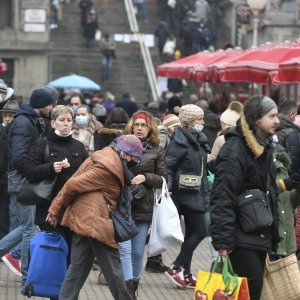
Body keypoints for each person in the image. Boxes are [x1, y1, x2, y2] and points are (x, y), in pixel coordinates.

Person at [46, 134, 144, 300]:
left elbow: (74, 181)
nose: (134, 162)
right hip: (95, 220)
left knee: (77, 269)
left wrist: (55, 210)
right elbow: (73, 184)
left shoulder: (104, 155)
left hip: (85, 217)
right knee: (114, 270)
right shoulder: (107, 168)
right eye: (134, 157)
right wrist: (55, 210)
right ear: (125, 153)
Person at [210, 95, 280, 300]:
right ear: (257, 119)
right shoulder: (235, 149)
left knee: (252, 292)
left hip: (257, 234)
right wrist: (223, 241)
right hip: (240, 239)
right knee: (249, 290)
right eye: (272, 116)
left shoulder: (262, 147)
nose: (277, 120)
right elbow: (223, 196)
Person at [2, 88, 54, 286]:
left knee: (27, 226)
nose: (51, 108)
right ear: (41, 105)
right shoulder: (24, 123)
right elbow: (19, 158)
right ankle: (27, 278)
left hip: (26, 182)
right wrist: (33, 172)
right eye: (49, 104)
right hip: (24, 183)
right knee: (29, 230)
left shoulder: (32, 120)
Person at [23, 105, 88, 261]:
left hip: (73, 208)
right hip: (48, 207)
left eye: (69, 120)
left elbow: (88, 172)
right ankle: (37, 282)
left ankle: (64, 285)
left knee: (70, 254)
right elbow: (29, 172)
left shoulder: (78, 146)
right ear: (53, 123)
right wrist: (51, 168)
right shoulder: (41, 144)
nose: (65, 123)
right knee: (52, 252)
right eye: (61, 120)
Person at [121, 111, 166, 298]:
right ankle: (125, 289)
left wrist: (146, 177)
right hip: (122, 205)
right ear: (131, 126)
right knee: (123, 250)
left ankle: (133, 287)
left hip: (143, 207)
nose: (139, 128)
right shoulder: (121, 144)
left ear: (150, 128)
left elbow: (164, 179)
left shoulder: (157, 149)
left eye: (143, 125)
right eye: (137, 124)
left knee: (137, 251)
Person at [165, 104, 210, 289]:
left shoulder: (198, 140)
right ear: (190, 121)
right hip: (184, 194)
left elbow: (203, 168)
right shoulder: (180, 141)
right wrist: (167, 188)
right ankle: (175, 266)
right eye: (200, 119)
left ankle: (186, 273)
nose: (203, 123)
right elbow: (169, 166)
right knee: (201, 231)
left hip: (196, 192)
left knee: (192, 233)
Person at [0, 101, 19, 240]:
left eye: (10, 116)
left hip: (11, 175)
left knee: (11, 212)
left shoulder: (16, 132)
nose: (7, 119)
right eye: (5, 115)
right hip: (3, 175)